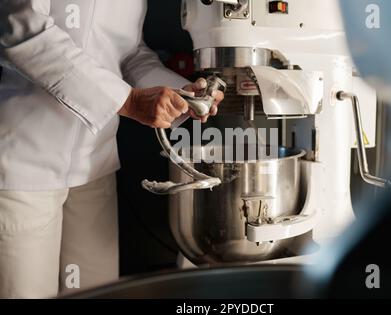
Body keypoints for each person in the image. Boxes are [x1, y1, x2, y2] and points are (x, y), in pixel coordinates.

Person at [0, 0, 224, 298]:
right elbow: (20, 25)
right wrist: (127, 101)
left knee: (95, 291)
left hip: (94, 163)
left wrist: (179, 95)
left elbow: (129, 53)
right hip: (27, 165)